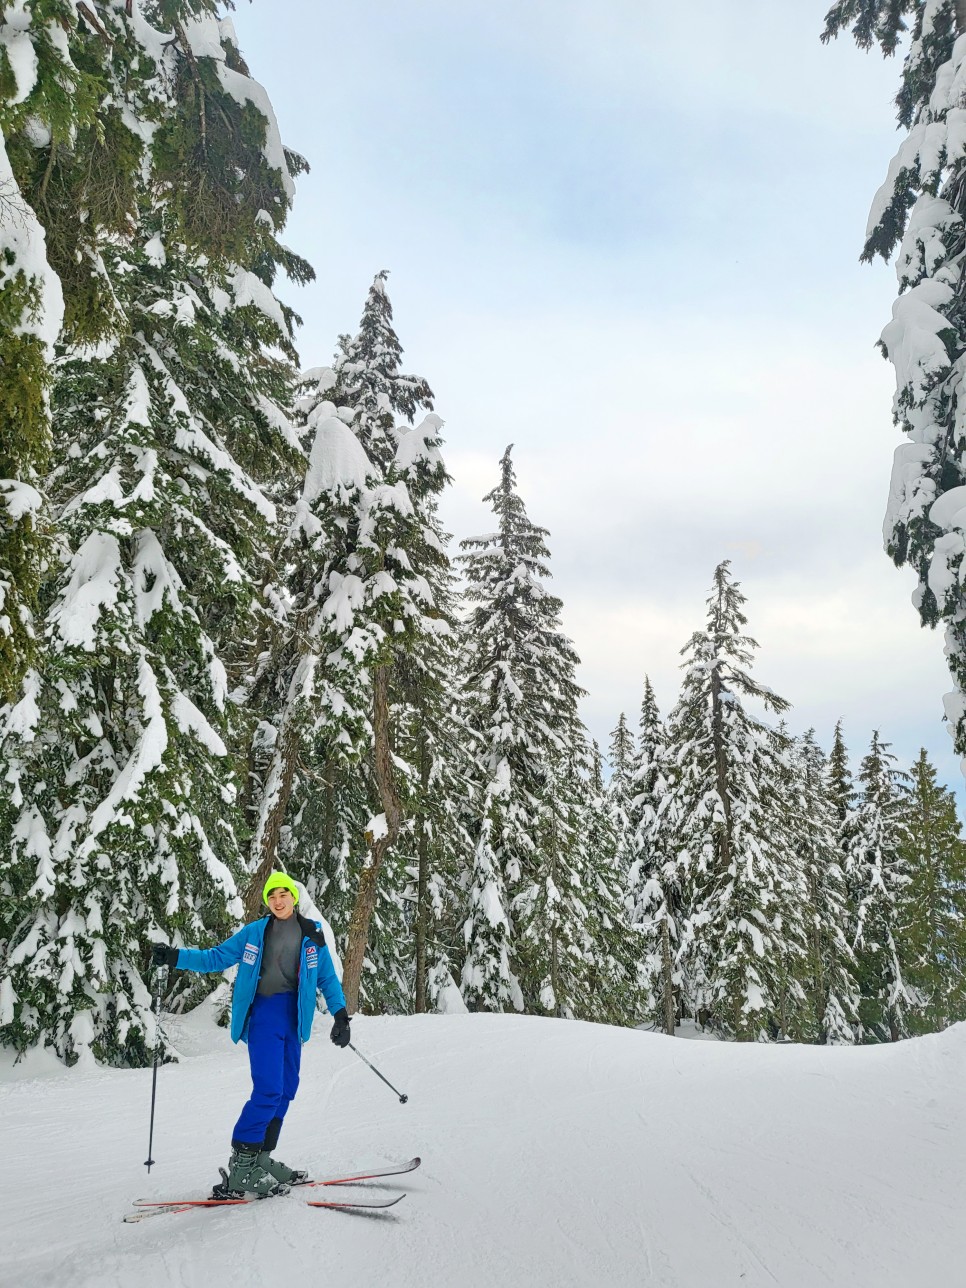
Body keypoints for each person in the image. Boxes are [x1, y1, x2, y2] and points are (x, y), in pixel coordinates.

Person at [151, 872, 350, 1196]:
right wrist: (176, 957)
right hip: (264, 1018)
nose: (278, 900)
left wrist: (340, 1015)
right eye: (272, 896)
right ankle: (241, 1168)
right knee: (269, 1089)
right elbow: (215, 957)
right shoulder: (254, 933)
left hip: (293, 1022)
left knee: (286, 1089)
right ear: (268, 902)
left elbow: (327, 978)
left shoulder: (311, 934)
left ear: (294, 898)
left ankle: (261, 1157)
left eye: (284, 894)